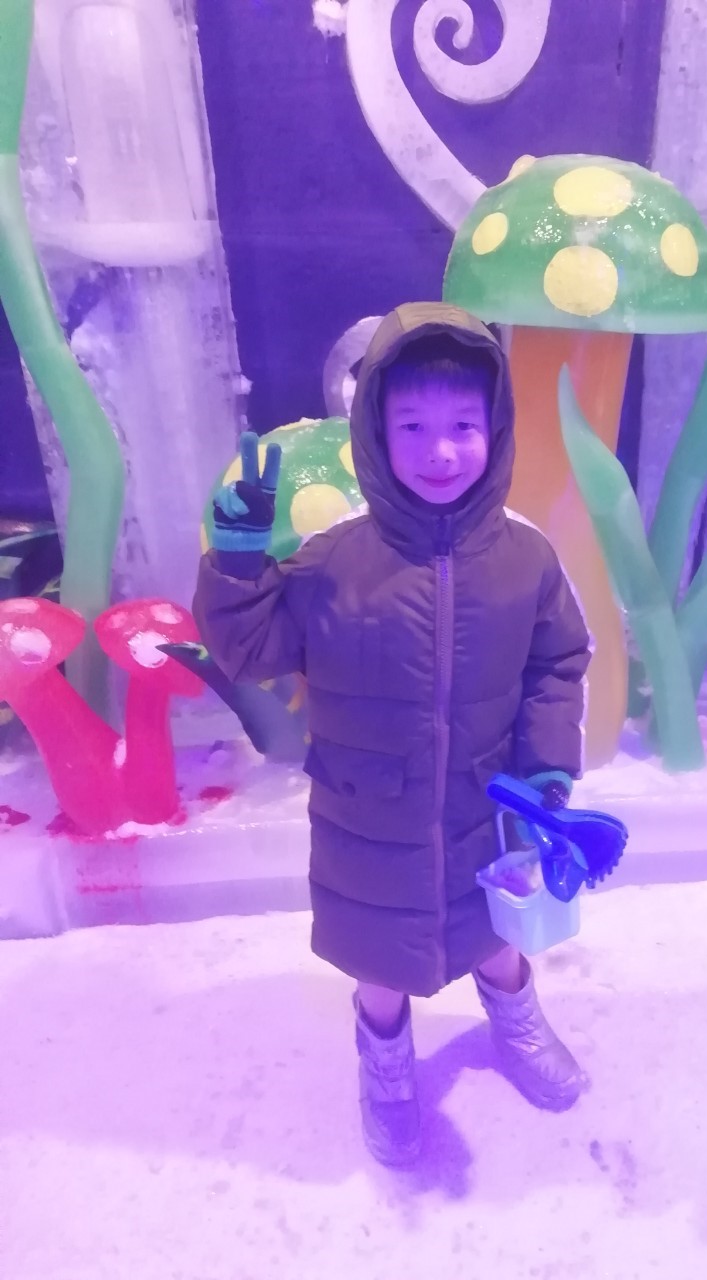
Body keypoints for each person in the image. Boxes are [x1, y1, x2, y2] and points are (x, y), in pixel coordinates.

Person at [194, 302, 592, 1166]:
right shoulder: (335, 561)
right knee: (381, 963)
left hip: (489, 811)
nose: (439, 450)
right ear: (374, 432)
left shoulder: (525, 560)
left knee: (497, 939)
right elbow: (250, 646)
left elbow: (557, 663)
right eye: (412, 426)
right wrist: (237, 562)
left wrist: (548, 769)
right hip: (367, 823)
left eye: (462, 426)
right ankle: (385, 1064)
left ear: (495, 429)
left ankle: (517, 1021)